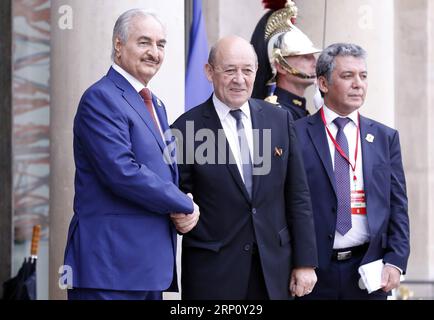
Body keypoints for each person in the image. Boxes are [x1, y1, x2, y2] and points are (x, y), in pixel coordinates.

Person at [63, 9, 199, 300]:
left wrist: (181, 202)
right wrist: (183, 203)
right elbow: (122, 172)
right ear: (118, 45)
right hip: (110, 267)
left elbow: (161, 170)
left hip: (146, 268)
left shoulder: (156, 104)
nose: (154, 52)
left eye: (161, 44)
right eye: (144, 42)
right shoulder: (100, 98)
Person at [171, 35, 318, 300]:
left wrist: (305, 262)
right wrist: (179, 212)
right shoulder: (185, 129)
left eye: (247, 70)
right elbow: (176, 197)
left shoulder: (279, 119)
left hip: (274, 272)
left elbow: (298, 195)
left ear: (256, 72)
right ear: (209, 72)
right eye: (229, 70)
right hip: (214, 275)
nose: (240, 79)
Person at [294, 43, 410, 300]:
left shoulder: (384, 137)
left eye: (363, 76)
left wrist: (396, 259)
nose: (358, 83)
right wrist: (298, 262)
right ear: (323, 83)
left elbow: (398, 205)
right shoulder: (296, 134)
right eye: (348, 76)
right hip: (313, 273)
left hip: (368, 271)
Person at [251, 0, 322, 119]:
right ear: (281, 66)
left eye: (312, 55)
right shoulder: (275, 113)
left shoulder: (298, 110)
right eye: (305, 56)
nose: (314, 62)